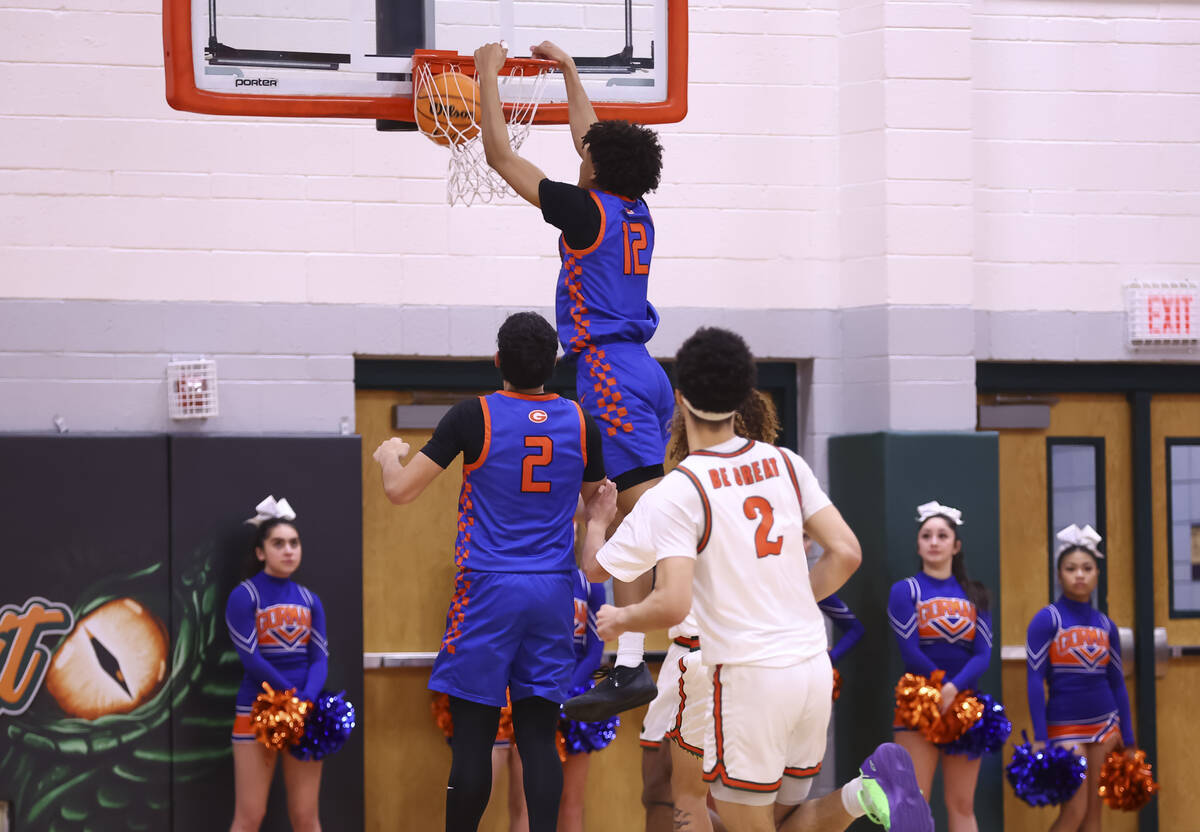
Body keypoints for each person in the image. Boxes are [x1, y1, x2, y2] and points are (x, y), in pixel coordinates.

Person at [579, 326, 934, 832]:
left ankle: (867, 793)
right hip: (810, 667)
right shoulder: (787, 465)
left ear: (678, 401)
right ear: (748, 392)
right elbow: (847, 553)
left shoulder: (678, 491)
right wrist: (790, 600)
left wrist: (598, 530)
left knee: (685, 798)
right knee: (779, 820)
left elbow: (608, 574)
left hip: (733, 671)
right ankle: (863, 794)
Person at [474, 39, 670, 719]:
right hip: (646, 369)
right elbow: (596, 137)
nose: (576, 152)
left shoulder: (587, 212)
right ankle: (647, 650)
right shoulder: (635, 209)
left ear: (596, 169)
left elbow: (501, 158)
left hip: (609, 370)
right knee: (650, 512)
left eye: (583, 152)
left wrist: (486, 79)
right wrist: (567, 73)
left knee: (643, 516)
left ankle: (631, 662)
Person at [371, 311, 606, 832]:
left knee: (476, 737)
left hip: (487, 587)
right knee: (540, 738)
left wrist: (390, 455)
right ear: (554, 364)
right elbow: (598, 504)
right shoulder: (581, 421)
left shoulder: (473, 415)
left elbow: (400, 490)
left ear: (498, 360)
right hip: (552, 590)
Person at [887, 501, 993, 832]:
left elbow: (982, 655)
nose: (934, 542)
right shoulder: (906, 590)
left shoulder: (976, 594)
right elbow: (909, 650)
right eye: (927, 535)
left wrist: (954, 689)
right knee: (912, 803)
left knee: (962, 804)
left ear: (955, 545)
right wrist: (940, 687)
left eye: (942, 535)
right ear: (918, 544)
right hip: (919, 704)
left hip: (964, 705)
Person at [226, 496, 327, 832]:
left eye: (294, 543)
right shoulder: (245, 595)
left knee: (306, 817)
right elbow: (251, 659)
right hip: (256, 711)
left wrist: (307, 700)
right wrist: (291, 695)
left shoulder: (311, 600)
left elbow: (320, 658)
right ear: (260, 552)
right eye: (278, 543)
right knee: (250, 816)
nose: (288, 550)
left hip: (305, 710)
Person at [1026, 524, 1135, 832]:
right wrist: (1040, 737)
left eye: (1087, 568)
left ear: (1097, 574)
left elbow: (1116, 681)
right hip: (1065, 726)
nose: (1079, 575)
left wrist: (1128, 738)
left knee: (1093, 818)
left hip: (1104, 724)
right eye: (1071, 568)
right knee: (1074, 811)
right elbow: (1035, 680)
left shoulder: (1105, 625)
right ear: (1059, 574)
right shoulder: (1047, 619)